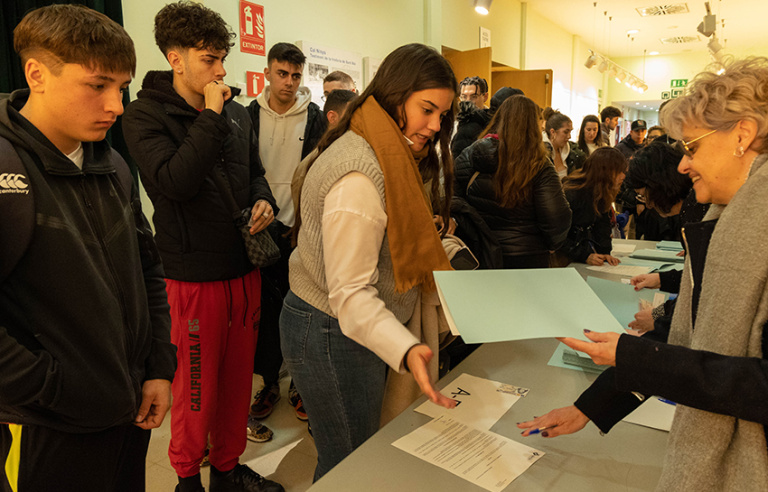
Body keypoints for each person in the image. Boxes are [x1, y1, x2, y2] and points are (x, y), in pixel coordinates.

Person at [518, 56, 768, 491]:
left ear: (742, 136)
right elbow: (687, 340)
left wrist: (629, 355)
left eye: (691, 147)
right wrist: (589, 408)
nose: (683, 165)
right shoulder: (728, 222)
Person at [0, 5, 176, 491]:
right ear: (37, 74)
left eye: (121, 87)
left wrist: (158, 366)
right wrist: (49, 389)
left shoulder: (112, 163)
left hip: (127, 412)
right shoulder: (5, 169)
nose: (116, 106)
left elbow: (148, 269)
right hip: (47, 427)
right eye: (98, 85)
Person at [122, 3, 282, 491]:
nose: (220, 70)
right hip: (191, 280)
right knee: (196, 393)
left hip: (244, 269)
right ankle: (188, 478)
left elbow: (255, 174)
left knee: (238, 386)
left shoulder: (235, 112)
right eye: (210, 60)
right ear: (176, 59)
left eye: (222, 59)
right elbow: (176, 182)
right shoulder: (143, 115)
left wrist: (264, 201)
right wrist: (210, 115)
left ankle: (229, 470)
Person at [282, 43, 458, 480]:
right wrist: (407, 345)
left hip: (336, 326)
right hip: (330, 328)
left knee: (349, 458)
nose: (435, 126)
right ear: (396, 95)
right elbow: (350, 294)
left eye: (442, 115)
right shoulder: (362, 171)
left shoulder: (377, 144)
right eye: (427, 110)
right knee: (351, 466)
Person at [245, 42, 327, 440]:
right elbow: (244, 171)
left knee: (299, 311)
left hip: (300, 231)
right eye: (282, 74)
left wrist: (305, 225)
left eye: (296, 75)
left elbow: (318, 176)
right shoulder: (246, 116)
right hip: (259, 231)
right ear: (267, 73)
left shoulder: (315, 118)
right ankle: (269, 384)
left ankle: (299, 386)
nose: (289, 82)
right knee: (263, 313)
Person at [455, 95, 571, 268]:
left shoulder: (471, 154)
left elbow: (452, 197)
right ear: (533, 125)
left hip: (480, 252)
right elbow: (556, 216)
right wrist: (553, 245)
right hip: (528, 256)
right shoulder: (540, 164)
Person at [556, 147, 626, 266]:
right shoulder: (573, 193)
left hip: (577, 252)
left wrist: (604, 253)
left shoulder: (601, 191)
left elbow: (602, 225)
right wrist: (584, 255)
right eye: (619, 171)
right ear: (605, 171)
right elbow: (557, 234)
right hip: (562, 255)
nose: (623, 176)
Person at [450, 76, 491, 158]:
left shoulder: (491, 122)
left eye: (473, 96)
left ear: (485, 97)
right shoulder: (452, 122)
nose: (468, 101)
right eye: (464, 97)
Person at [542, 107, 586, 178]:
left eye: (570, 131)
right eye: (566, 132)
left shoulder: (572, 153)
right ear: (553, 132)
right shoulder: (541, 154)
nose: (569, 136)